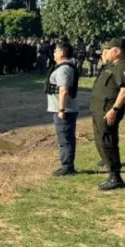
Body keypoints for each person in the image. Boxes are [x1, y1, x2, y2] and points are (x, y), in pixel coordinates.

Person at [91, 38, 125, 191]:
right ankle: (108, 163)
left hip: (108, 110)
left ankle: (115, 177)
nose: (104, 52)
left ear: (116, 51)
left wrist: (114, 110)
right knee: (101, 139)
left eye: (107, 49)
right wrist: (104, 59)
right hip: (99, 109)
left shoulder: (123, 67)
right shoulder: (112, 66)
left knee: (108, 141)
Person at [46, 41, 80, 177]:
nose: (54, 53)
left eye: (55, 51)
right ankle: (67, 164)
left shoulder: (63, 69)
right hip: (65, 109)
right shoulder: (63, 67)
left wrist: (61, 109)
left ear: (61, 52)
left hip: (65, 110)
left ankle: (67, 166)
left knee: (65, 138)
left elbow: (64, 90)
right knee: (66, 137)